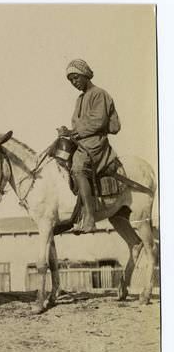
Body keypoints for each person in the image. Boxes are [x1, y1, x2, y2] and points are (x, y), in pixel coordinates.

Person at [60, 59, 121, 233]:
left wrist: (75, 132)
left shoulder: (98, 93)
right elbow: (78, 124)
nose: (74, 82)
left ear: (85, 75)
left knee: (78, 167)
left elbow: (98, 121)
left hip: (95, 142)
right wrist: (68, 131)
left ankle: (89, 216)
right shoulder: (79, 99)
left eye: (76, 78)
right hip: (83, 140)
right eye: (71, 80)